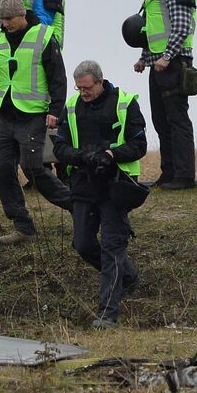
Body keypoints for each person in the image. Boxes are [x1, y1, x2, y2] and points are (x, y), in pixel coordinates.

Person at [53, 60, 148, 328]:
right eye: (79, 88)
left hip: (115, 185)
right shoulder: (71, 107)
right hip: (83, 185)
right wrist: (81, 156)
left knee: (112, 247)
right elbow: (59, 147)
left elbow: (139, 144)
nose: (83, 93)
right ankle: (128, 278)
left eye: (87, 88)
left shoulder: (125, 103)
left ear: (100, 81)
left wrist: (111, 155)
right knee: (82, 244)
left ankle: (107, 314)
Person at [0, 0, 73, 244]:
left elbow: (58, 79)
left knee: (31, 168)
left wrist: (55, 111)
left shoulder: (44, 36)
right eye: (2, 19)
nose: (5, 24)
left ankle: (79, 207)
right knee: (0, 166)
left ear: (22, 16)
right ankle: (23, 226)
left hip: (32, 114)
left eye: (9, 19)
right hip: (6, 116)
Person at [133, 0, 197, 189]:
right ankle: (168, 173)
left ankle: (184, 176)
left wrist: (167, 57)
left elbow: (181, 27)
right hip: (158, 64)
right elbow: (152, 29)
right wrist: (144, 58)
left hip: (175, 63)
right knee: (160, 120)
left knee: (177, 119)